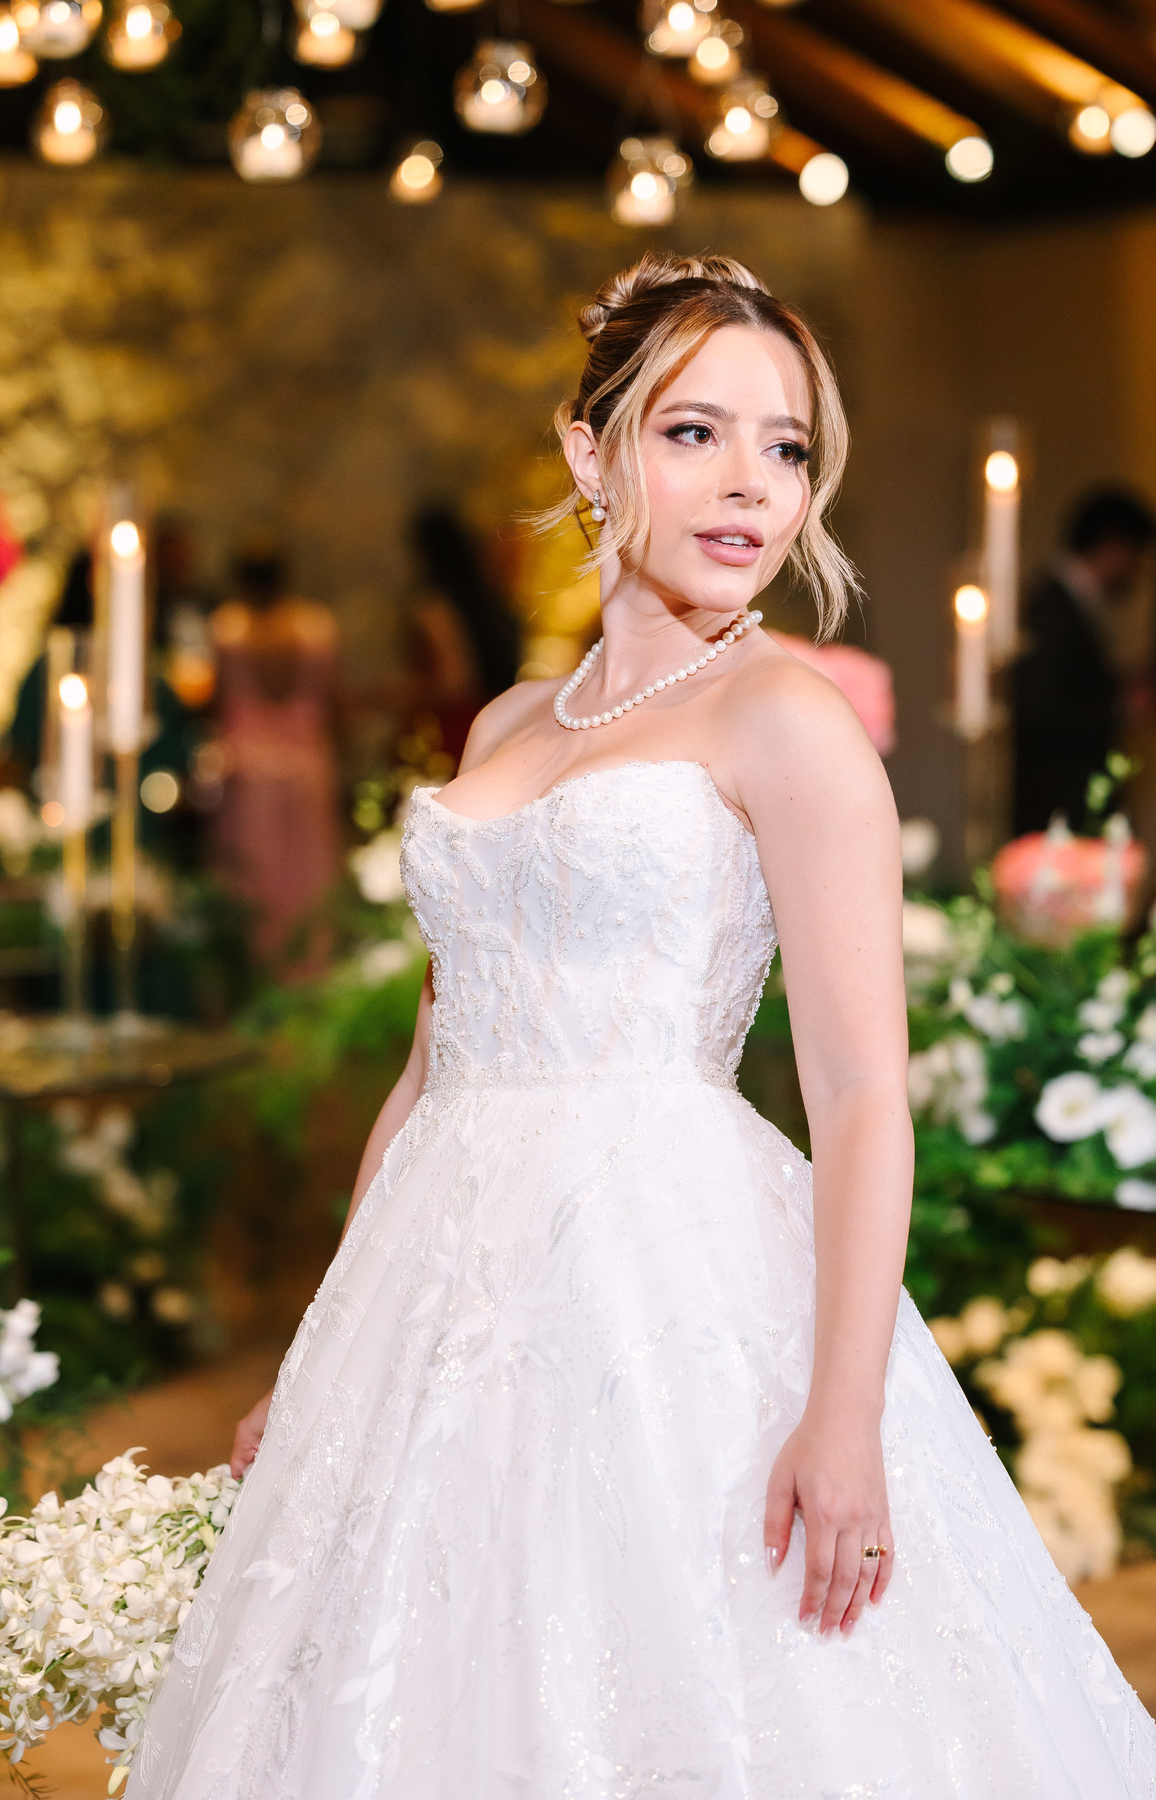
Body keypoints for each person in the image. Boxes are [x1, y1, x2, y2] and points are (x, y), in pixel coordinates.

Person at [130, 256, 1156, 1798]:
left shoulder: (787, 720)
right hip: (433, 1308)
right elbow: (430, 1071)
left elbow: (862, 1093)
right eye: (694, 433)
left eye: (786, 446)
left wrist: (844, 1418)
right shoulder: (506, 723)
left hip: (661, 1292)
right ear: (588, 450)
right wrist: (325, 1348)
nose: (751, 484)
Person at [208, 542, 341, 968]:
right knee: (306, 877)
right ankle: (309, 971)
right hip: (308, 771)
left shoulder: (228, 629)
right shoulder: (316, 627)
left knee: (255, 877)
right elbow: (334, 703)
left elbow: (215, 702)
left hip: (249, 776)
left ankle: (257, 972)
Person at [1013, 487, 1155, 834]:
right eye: (1137, 555)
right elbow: (1041, 706)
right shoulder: (1052, 606)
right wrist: (1119, 707)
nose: (1138, 571)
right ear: (1113, 546)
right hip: (1058, 806)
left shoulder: (1070, 603)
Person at [403, 503, 522, 764]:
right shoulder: (485, 598)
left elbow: (455, 682)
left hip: (455, 729)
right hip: (495, 720)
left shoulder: (433, 606)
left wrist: (397, 695)